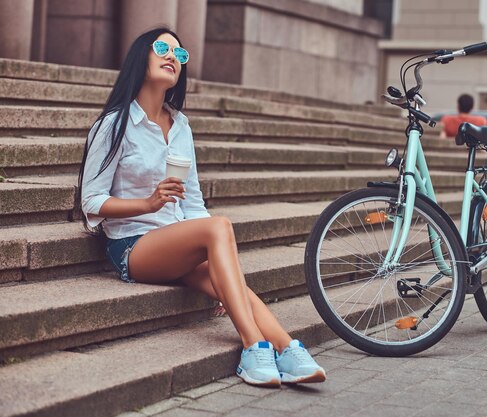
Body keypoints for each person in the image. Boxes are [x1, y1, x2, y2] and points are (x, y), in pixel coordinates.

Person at [78, 28, 326, 388]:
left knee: (228, 275)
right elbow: (92, 201)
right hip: (132, 246)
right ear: (140, 56)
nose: (172, 57)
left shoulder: (180, 125)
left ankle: (288, 349)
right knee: (218, 227)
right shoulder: (113, 125)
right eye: (162, 48)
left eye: (179, 55)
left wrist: (226, 282)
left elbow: (192, 202)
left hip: (175, 242)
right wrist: (147, 203)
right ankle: (253, 346)